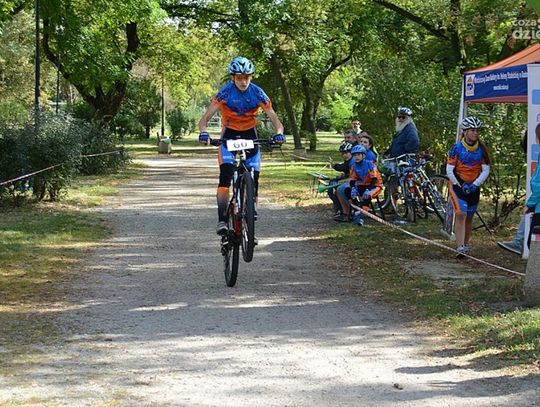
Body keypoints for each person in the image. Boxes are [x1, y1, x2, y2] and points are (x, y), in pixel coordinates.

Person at [198, 56, 285, 235]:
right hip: (229, 135)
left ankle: (251, 210)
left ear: (251, 76)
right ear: (233, 78)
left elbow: (275, 119)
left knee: (255, 175)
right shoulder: (225, 93)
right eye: (239, 78)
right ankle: (222, 220)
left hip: (250, 134)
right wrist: (204, 132)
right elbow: (204, 119)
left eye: (247, 77)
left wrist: (279, 133)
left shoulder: (258, 93)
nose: (243, 82)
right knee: (226, 174)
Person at [446, 116, 491, 257]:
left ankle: (465, 245)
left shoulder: (481, 149)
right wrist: (461, 184)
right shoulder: (456, 148)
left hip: (474, 187)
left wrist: (475, 184)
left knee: (469, 217)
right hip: (457, 185)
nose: (475, 133)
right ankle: (460, 246)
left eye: (477, 130)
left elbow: (486, 170)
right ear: (464, 131)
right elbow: (449, 170)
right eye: (472, 130)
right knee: (461, 214)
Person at [336, 145, 383, 224]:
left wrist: (368, 190)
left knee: (367, 195)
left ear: (363, 156)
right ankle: (357, 209)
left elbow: (374, 179)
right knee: (347, 191)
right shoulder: (354, 166)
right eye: (354, 155)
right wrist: (353, 188)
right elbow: (352, 179)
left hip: (375, 185)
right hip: (364, 184)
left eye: (358, 155)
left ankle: (361, 214)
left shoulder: (370, 165)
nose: (356, 157)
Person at [328, 141, 354, 219]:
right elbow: (344, 167)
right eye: (343, 153)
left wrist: (334, 166)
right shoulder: (348, 160)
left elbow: (344, 168)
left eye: (346, 153)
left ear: (351, 152)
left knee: (334, 188)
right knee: (331, 186)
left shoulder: (352, 161)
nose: (344, 155)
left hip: (352, 181)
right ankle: (340, 208)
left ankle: (344, 210)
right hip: (347, 179)